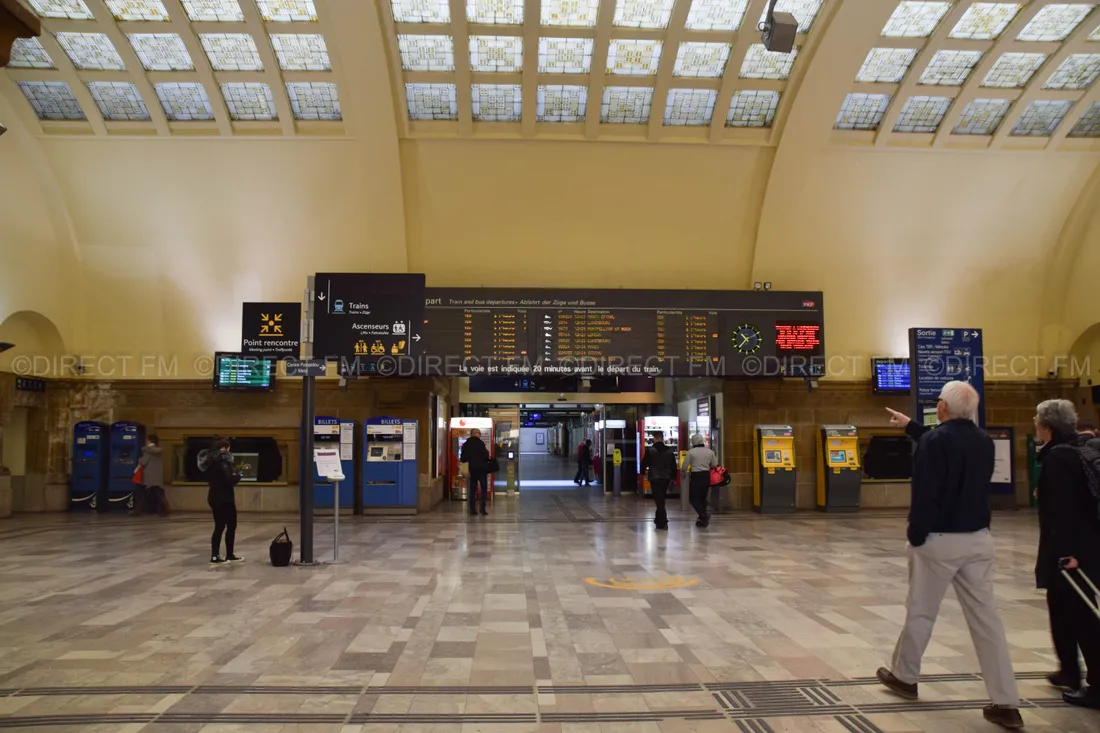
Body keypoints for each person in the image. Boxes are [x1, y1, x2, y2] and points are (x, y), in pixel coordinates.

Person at [877, 383, 1023, 729]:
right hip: (978, 539)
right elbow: (951, 446)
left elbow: (926, 491)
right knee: (987, 622)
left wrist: (916, 534)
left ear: (942, 406)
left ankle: (905, 677)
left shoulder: (935, 441)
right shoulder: (984, 440)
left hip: (939, 541)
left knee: (921, 612)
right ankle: (1006, 703)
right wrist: (911, 426)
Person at [1035, 400, 1100, 707]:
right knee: (1061, 610)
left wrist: (1066, 553)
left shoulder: (1060, 458)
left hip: (1073, 551)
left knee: (1083, 617)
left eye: (1038, 421)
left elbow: (1063, 510)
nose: (1036, 425)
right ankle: (1068, 671)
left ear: (1047, 426)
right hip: (1079, 545)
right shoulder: (1075, 450)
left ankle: (1097, 686)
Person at [197, 438, 242, 565]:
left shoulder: (211, 462)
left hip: (216, 497)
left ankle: (222, 554)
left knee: (222, 526)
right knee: (227, 525)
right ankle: (219, 555)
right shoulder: (222, 463)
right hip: (224, 498)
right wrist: (239, 476)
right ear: (224, 448)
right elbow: (229, 480)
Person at [640, 432, 678, 531]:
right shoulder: (669, 451)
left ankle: (663, 522)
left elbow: (644, 463)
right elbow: (673, 466)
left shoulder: (650, 450)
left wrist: (642, 472)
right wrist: (673, 478)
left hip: (655, 478)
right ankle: (658, 520)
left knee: (659, 500)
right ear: (662, 438)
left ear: (655, 438)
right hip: (666, 478)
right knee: (661, 498)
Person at [682, 434, 717, 527]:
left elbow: (684, 466)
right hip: (706, 476)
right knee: (702, 498)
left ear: (693, 442)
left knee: (693, 498)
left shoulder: (691, 452)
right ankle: (702, 520)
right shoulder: (710, 452)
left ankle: (703, 515)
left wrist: (684, 473)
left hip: (696, 476)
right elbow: (714, 464)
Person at [460, 428, 491, 516]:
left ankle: (473, 510)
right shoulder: (481, 443)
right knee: (483, 488)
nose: (480, 435)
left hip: (471, 469)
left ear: (471, 434)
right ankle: (482, 509)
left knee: (472, 490)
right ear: (477, 434)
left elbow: (463, 458)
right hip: (481, 469)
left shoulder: (466, 444)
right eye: (479, 433)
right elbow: (485, 456)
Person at [137, 434, 165, 516]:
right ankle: (161, 511)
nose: (145, 441)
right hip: (157, 475)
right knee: (157, 493)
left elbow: (143, 462)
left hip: (149, 475)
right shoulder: (157, 450)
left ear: (149, 441)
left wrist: (139, 459)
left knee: (146, 493)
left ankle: (141, 510)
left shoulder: (147, 451)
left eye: (146, 440)